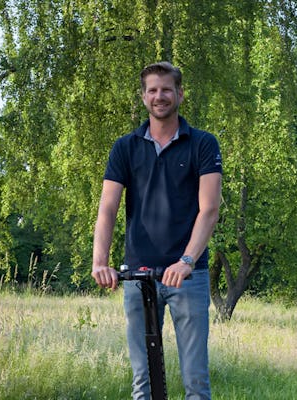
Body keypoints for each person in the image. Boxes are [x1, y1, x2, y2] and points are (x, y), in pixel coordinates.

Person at [91, 61, 222, 400]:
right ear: (143, 96)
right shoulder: (125, 147)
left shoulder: (203, 144)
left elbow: (209, 209)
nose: (159, 96)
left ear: (180, 93)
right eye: (152, 90)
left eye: (166, 89)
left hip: (188, 277)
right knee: (142, 383)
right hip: (138, 275)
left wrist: (188, 260)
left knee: (195, 381)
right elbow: (107, 208)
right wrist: (100, 261)